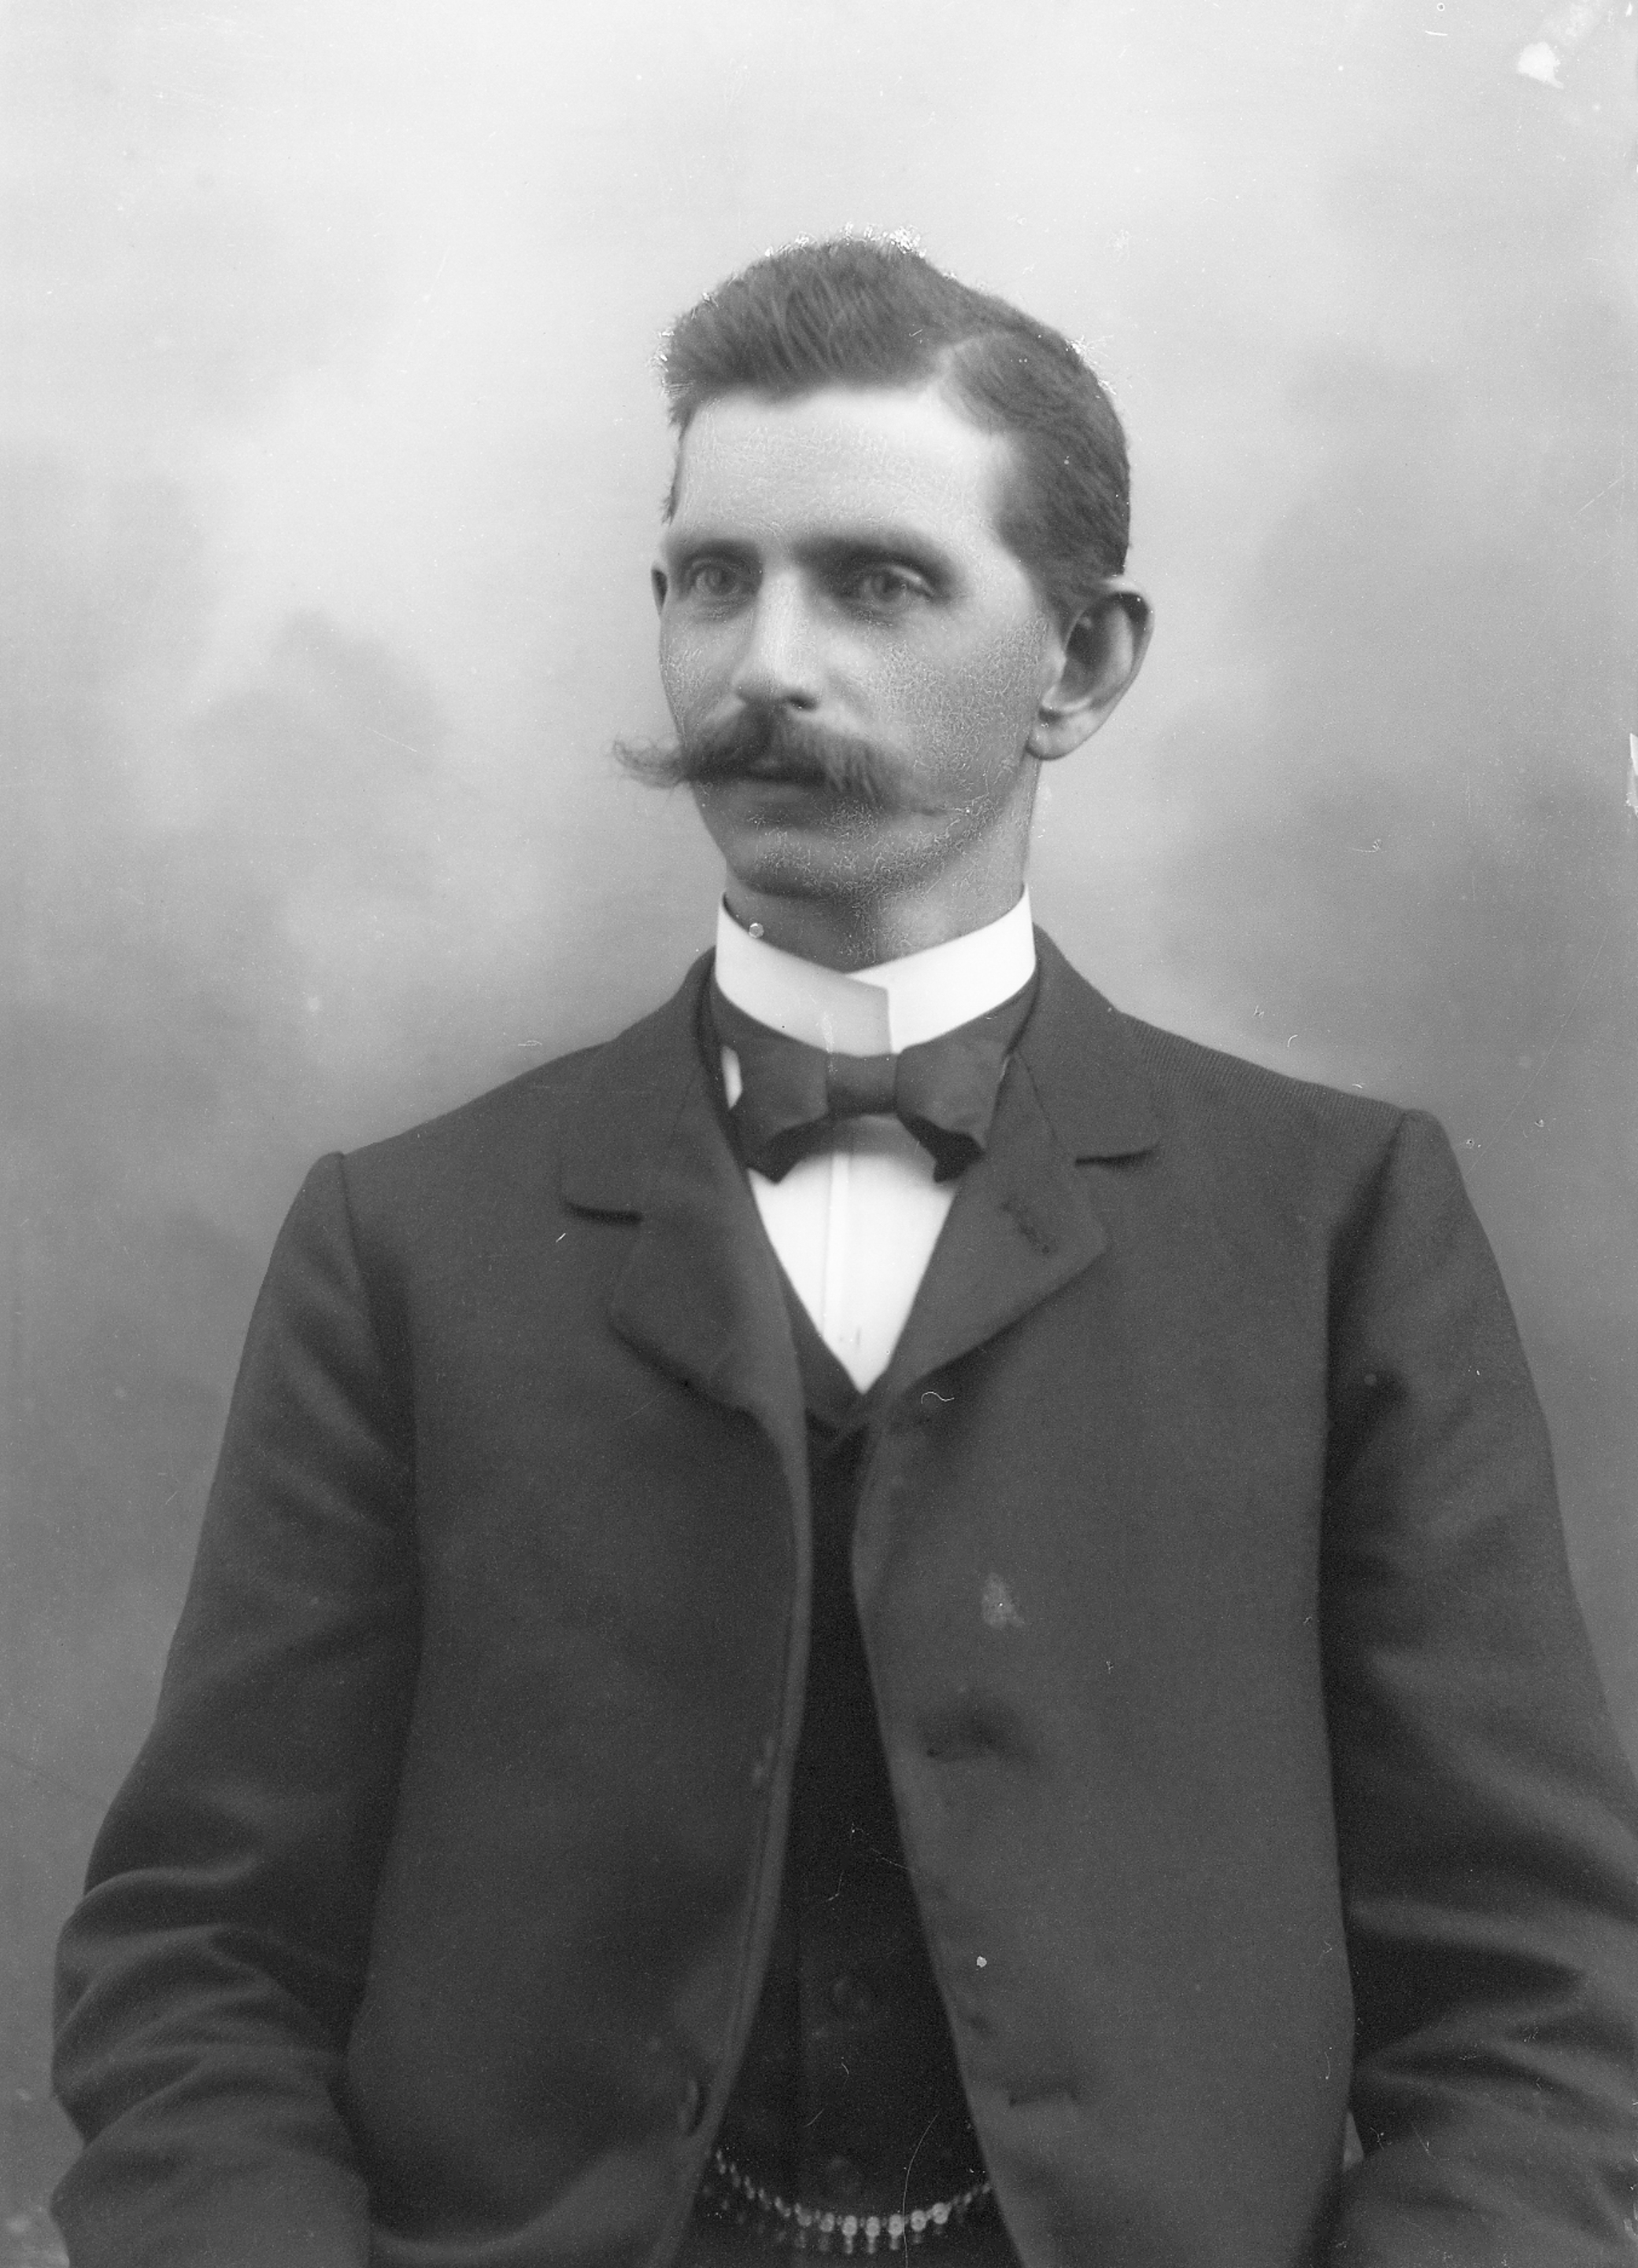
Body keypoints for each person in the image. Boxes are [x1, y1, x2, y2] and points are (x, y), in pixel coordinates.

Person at [51, 238, 1638, 2268]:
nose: (766, 667)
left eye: (877, 583)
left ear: (1082, 665)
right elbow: (199, 1966)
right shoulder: (409, 1241)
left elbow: (1532, 2006)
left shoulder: (1338, 1226)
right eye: (713, 579)